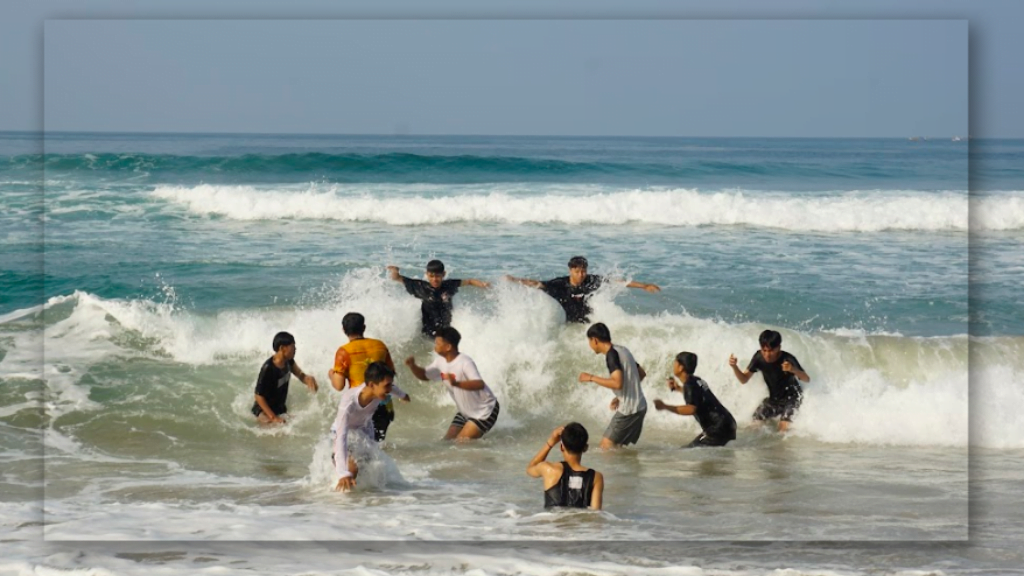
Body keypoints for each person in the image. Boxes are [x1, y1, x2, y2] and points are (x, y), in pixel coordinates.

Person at [404, 326, 500, 441]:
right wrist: (413, 366)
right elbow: (424, 376)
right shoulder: (440, 362)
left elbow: (479, 384)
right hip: (466, 411)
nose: (435, 346)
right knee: (447, 442)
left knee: (461, 442)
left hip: (485, 410)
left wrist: (457, 384)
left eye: (438, 343)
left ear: (448, 347)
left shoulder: (465, 362)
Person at [504, 255, 661, 324]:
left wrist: (644, 285)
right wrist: (515, 280)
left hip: (588, 322)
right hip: (569, 324)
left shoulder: (591, 280)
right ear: (570, 271)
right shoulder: (560, 284)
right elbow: (536, 284)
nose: (581, 275)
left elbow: (616, 282)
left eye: (583, 271)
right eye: (577, 271)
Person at [328, 312, 410, 442]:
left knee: (356, 453)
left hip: (361, 405)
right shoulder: (380, 345)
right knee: (375, 451)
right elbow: (390, 373)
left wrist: (331, 374)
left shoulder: (344, 351)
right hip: (384, 404)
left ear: (343, 330)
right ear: (364, 327)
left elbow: (339, 386)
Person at [577, 322, 648, 449]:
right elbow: (641, 374)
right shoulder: (623, 350)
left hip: (629, 410)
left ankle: (613, 469)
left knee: (606, 446)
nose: (590, 345)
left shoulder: (611, 355)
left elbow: (617, 383)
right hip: (640, 407)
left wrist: (591, 378)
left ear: (595, 340)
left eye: (589, 341)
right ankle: (627, 469)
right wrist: (622, 395)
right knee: (617, 448)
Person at [728, 329, 811, 432]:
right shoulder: (759, 358)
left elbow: (806, 379)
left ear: (779, 348)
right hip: (773, 400)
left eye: (771, 350)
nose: (767, 354)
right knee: (752, 426)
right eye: (764, 350)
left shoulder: (788, 359)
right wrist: (734, 367)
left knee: (782, 431)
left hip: (791, 399)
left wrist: (793, 369)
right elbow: (744, 379)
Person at [331, 362, 396, 491]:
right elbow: (341, 436)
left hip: (364, 432)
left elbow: (395, 389)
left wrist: (403, 395)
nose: (390, 390)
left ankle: (362, 502)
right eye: (387, 386)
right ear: (372, 385)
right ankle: (341, 500)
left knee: (370, 467)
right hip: (343, 434)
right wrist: (343, 472)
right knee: (352, 469)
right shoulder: (349, 402)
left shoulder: (379, 392)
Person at [387, 260, 491, 337]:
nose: (434, 279)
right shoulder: (421, 287)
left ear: (443, 274)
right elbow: (397, 278)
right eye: (431, 276)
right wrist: (395, 270)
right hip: (428, 330)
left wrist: (483, 285)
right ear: (427, 274)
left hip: (447, 328)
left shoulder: (449, 285)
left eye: (437, 276)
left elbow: (469, 281)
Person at [654, 351, 737, 447]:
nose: (673, 365)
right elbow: (698, 396)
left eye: (675, 363)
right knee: (691, 449)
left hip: (718, 428)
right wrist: (678, 389)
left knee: (689, 451)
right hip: (727, 423)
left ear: (681, 368)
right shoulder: (697, 380)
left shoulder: (689, 385)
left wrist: (665, 406)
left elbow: (691, 409)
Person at [526, 423, 604, 510]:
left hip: (552, 523)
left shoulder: (550, 469)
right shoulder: (596, 477)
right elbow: (596, 514)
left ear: (562, 447)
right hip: (580, 523)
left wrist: (551, 441)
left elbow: (530, 468)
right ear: (585, 448)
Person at [251, 331, 318, 424]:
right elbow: (258, 396)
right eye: (293, 347)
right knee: (272, 428)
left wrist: (308, 379)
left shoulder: (289, 361)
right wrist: (273, 417)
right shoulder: (268, 368)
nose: (295, 349)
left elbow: (300, 375)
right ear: (282, 348)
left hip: (279, 408)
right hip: (263, 411)